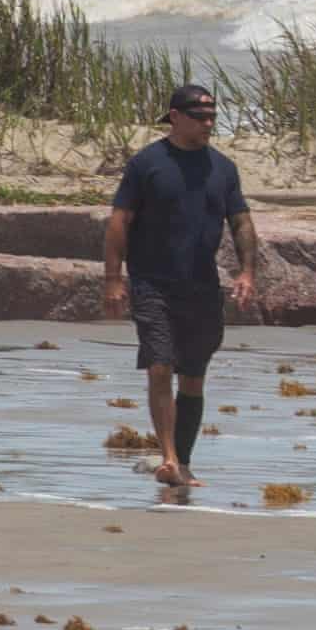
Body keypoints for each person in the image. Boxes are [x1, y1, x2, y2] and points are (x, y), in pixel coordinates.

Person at [104, 83, 261, 493]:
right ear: (175, 116)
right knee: (160, 367)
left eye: (212, 117)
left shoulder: (223, 169)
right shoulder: (147, 164)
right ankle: (169, 458)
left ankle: (183, 462)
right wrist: (113, 278)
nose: (209, 124)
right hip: (153, 282)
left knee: (193, 377)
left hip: (202, 286)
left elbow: (241, 222)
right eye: (200, 117)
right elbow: (120, 221)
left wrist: (247, 272)